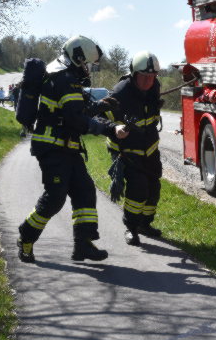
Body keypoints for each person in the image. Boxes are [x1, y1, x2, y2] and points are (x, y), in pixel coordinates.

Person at [17, 35, 129, 263]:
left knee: (85, 190)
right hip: (52, 148)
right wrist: (109, 129)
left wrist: (101, 106)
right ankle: (26, 236)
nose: (88, 69)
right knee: (55, 198)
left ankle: (83, 244)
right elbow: (76, 119)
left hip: (67, 148)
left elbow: (77, 109)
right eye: (87, 63)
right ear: (78, 59)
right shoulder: (64, 78)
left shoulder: (67, 77)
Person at [103, 51, 163, 246]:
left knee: (154, 189)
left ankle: (144, 224)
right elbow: (99, 118)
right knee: (138, 188)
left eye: (152, 77)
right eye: (144, 77)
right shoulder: (120, 93)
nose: (148, 81)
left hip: (150, 149)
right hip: (126, 151)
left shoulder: (155, 87)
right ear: (134, 74)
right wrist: (115, 128)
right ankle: (131, 228)